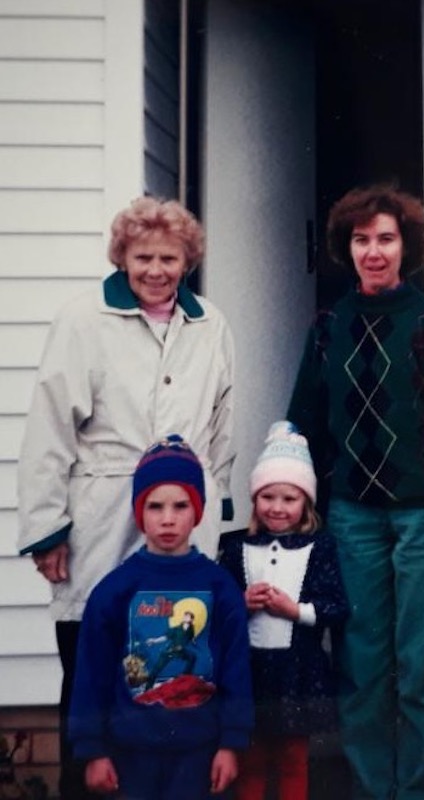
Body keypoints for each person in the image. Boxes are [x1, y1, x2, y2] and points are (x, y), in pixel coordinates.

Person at [16, 196, 235, 798]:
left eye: (169, 258)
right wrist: (48, 528)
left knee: (175, 673)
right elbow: (51, 426)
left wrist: (211, 516)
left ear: (187, 260)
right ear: (122, 258)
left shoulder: (209, 323)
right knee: (92, 668)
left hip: (181, 521)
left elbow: (221, 428)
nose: (156, 270)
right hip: (101, 518)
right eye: (143, 257)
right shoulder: (83, 320)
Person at [287, 184, 424, 799]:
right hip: (352, 521)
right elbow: (301, 426)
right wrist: (295, 506)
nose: (373, 252)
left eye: (385, 239)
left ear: (407, 247)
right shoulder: (329, 327)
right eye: (360, 240)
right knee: (362, 671)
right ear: (345, 249)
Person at [68, 435, 253, 800]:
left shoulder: (219, 587)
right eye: (155, 507)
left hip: (199, 753)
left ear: (197, 510)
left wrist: (232, 743)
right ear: (139, 511)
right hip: (131, 754)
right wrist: (92, 749)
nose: (168, 519)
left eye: (180, 505)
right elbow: (92, 672)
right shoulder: (116, 589)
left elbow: (237, 670)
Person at [218, 420, 349, 800]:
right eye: (267, 497)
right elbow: (220, 610)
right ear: (255, 499)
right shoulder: (236, 548)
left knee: (293, 758)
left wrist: (294, 611)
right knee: (252, 757)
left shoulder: (319, 548)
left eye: (289, 499)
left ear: (305, 503)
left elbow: (336, 606)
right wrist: (241, 604)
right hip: (250, 671)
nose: (277, 508)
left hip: (298, 671)